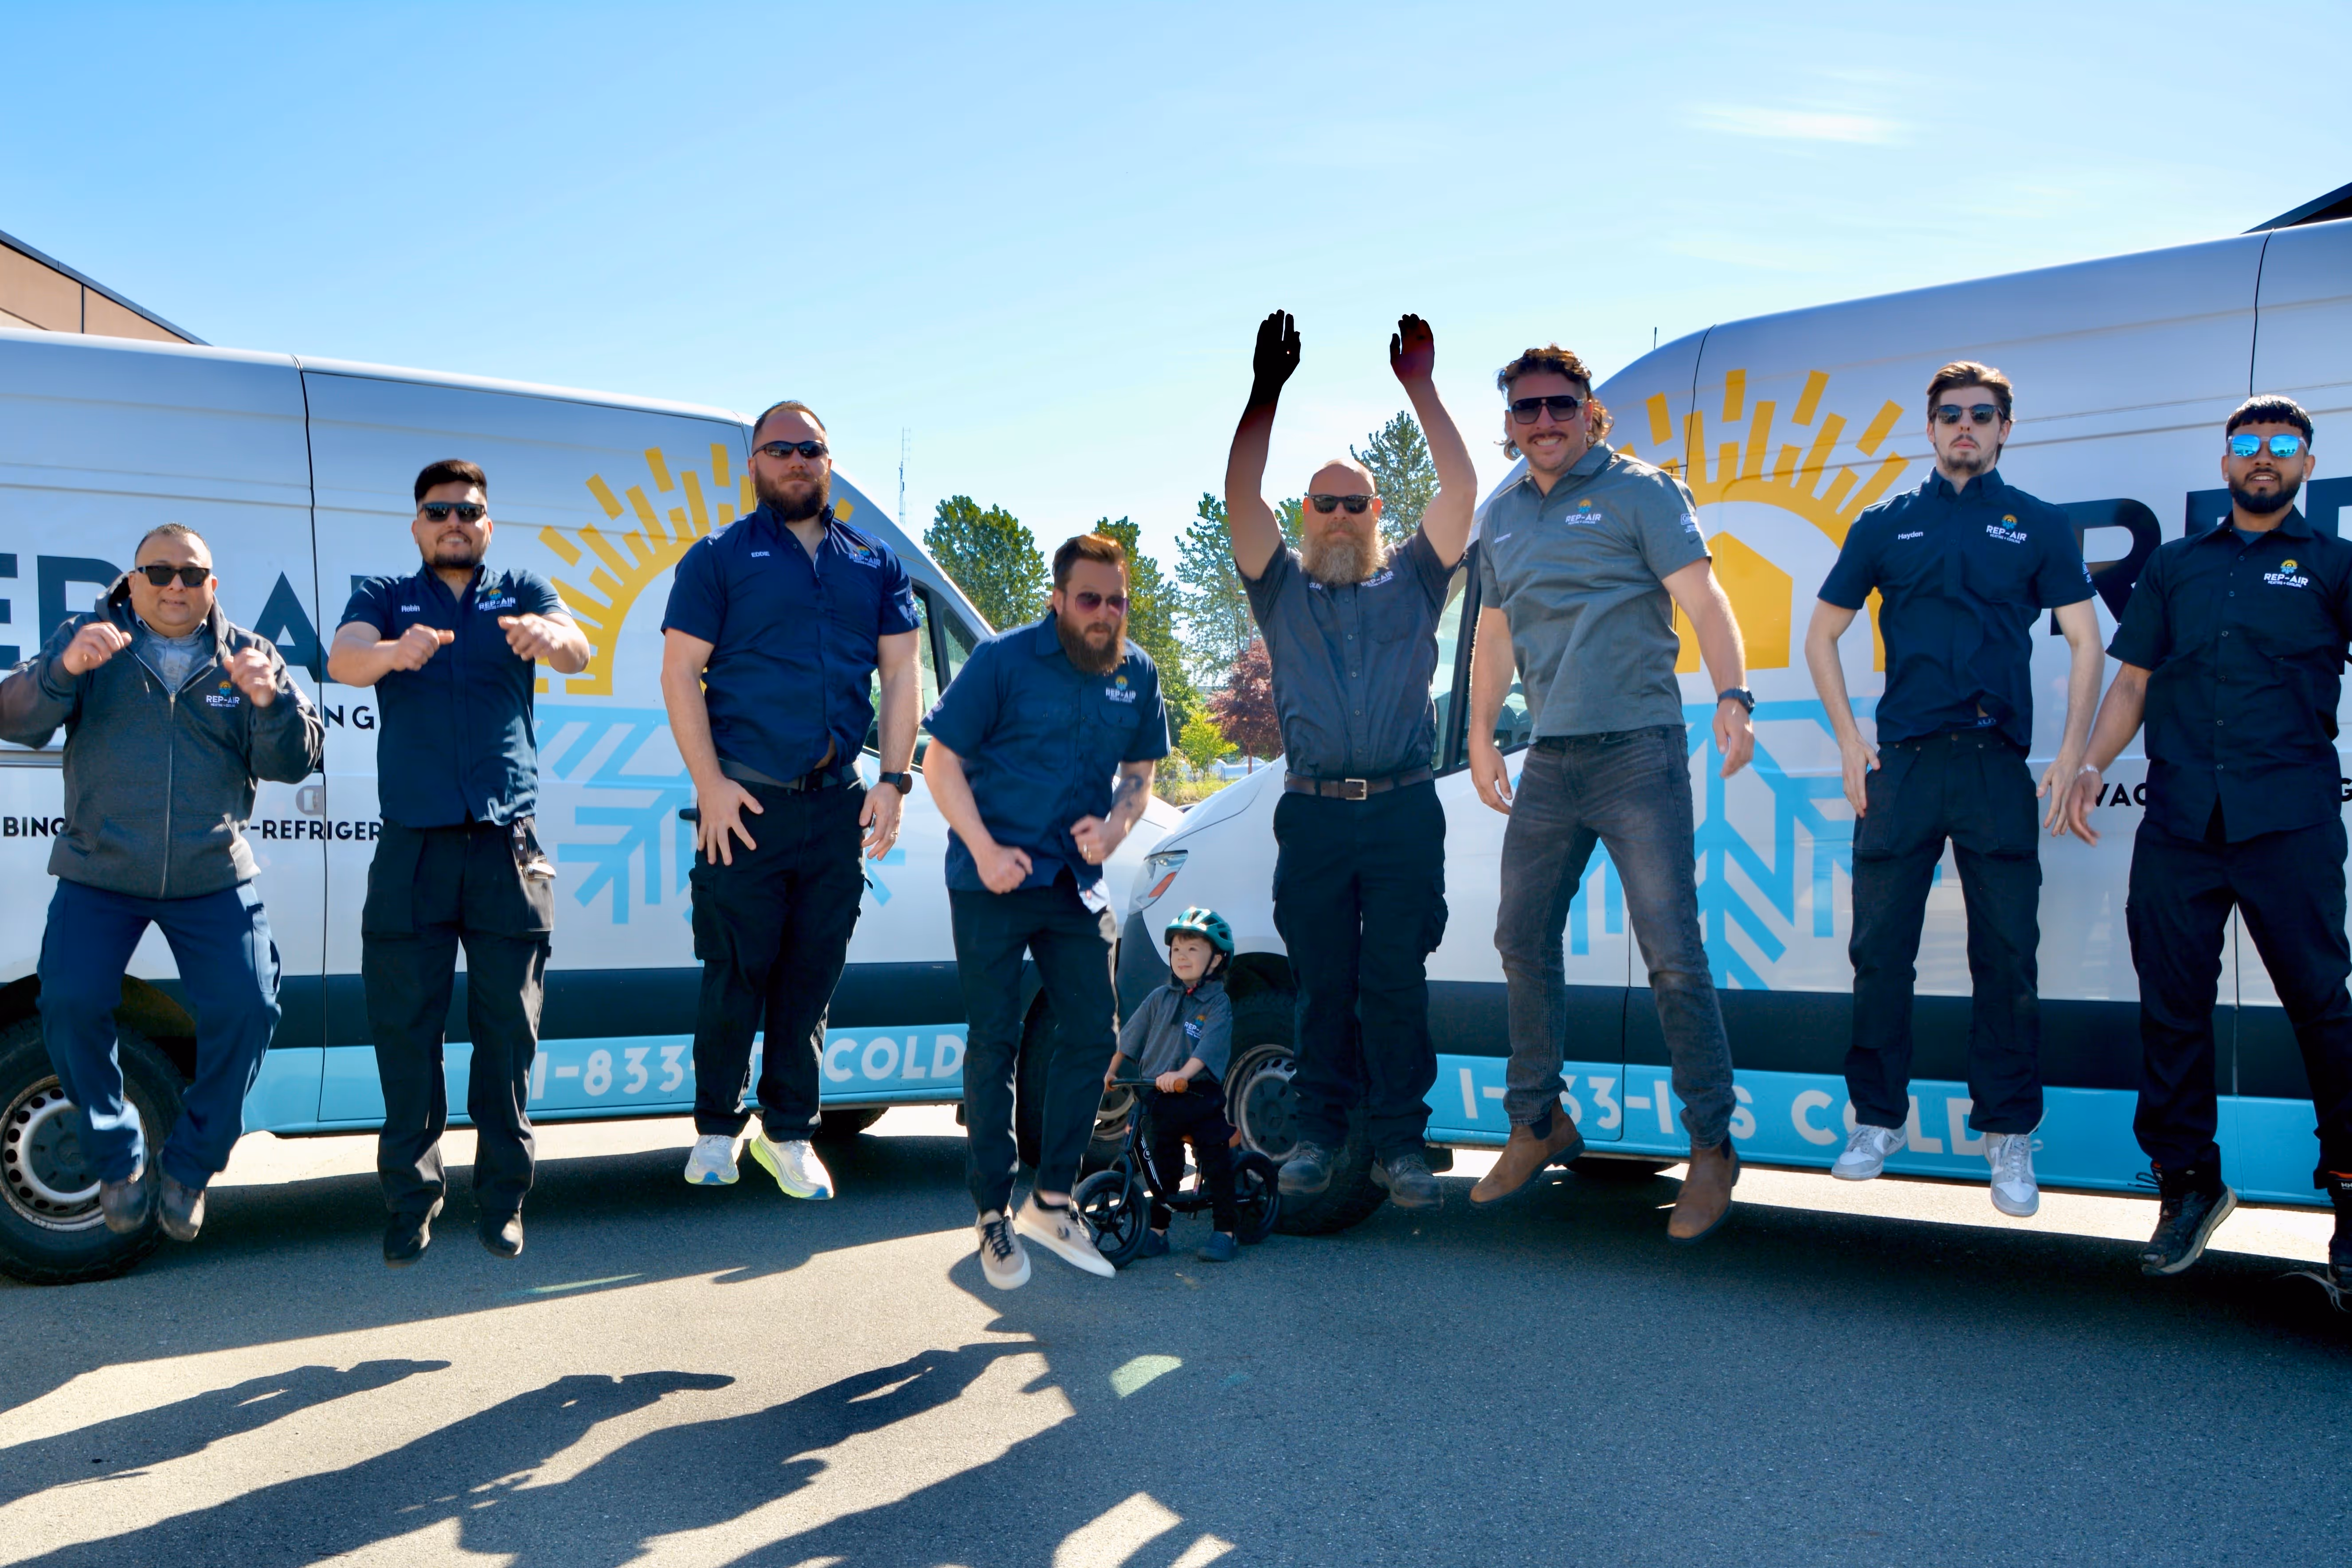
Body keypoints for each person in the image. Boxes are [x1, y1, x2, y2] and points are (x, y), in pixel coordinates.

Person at [1804, 362, 2105, 1218]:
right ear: (1929, 430)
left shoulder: (2038, 525)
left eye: (1981, 414)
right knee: (1879, 950)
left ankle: (2008, 1136)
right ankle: (1877, 1121)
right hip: (1900, 766)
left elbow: (2088, 642)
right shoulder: (1885, 525)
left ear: (2006, 427)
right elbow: (1822, 633)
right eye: (1949, 415)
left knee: (2007, 956)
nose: (1964, 426)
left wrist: (2070, 749)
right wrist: (1849, 741)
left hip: (1993, 764)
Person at [1464, 345, 1751, 1242]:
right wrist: (1478, 733)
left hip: (1638, 751)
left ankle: (1710, 1145)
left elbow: (1706, 604)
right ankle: (1538, 1120)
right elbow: (1495, 634)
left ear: (1589, 410)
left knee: (1672, 952)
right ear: (1508, 421)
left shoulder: (1642, 490)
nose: (1543, 421)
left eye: (1559, 405)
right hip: (1552, 756)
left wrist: (1735, 697)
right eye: (1526, 409)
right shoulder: (1501, 513)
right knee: (1519, 935)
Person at [2067, 395, 2352, 1283]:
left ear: (2306, 461)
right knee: (2171, 1009)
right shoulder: (2175, 568)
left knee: (2324, 1010)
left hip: (2292, 821)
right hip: (2182, 822)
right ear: (2224, 460)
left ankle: (2350, 1200)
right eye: (2246, 445)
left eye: (2279, 445)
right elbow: (2132, 684)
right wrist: (2084, 762)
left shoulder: (2335, 566)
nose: (2261, 458)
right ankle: (2189, 1184)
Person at [0, 524, 322, 1243]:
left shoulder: (250, 655)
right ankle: (117, 1160)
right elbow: (15, 718)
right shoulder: (88, 639)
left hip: (211, 872)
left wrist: (270, 705)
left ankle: (188, 1169)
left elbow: (297, 762)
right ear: (133, 580)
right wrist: (62, 673)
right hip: (100, 872)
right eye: (159, 570)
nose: (176, 584)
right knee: (72, 999)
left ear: (213, 584)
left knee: (248, 1005)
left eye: (192, 572)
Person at [1221, 310, 1477, 1211]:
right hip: (1318, 816)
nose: (1338, 515)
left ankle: (1403, 1143)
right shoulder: (1279, 588)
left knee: (1394, 978)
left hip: (1405, 813)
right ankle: (1320, 1132)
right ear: (1306, 515)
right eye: (1323, 503)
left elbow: (1460, 485)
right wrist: (1266, 391)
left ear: (1377, 514)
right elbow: (1238, 500)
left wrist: (1421, 388)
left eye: (1355, 502)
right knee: (1324, 978)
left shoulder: (1414, 577)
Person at [329, 459, 591, 1265]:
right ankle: (411, 1201)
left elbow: (578, 648)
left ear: (488, 524)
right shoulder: (381, 595)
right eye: (439, 510)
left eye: (469, 511)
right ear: (417, 526)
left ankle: (504, 1200)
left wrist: (555, 638)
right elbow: (342, 660)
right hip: (413, 846)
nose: (454, 521)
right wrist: (393, 653)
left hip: (506, 847)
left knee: (508, 1028)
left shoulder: (522, 589)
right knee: (406, 1030)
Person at [658, 403, 921, 1204]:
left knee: (811, 974)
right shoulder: (719, 559)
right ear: (755, 464)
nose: (798, 460)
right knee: (735, 969)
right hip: (743, 803)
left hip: (834, 805)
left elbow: (904, 678)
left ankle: (791, 1135)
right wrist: (710, 784)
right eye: (782, 449)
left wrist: (894, 780)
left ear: (829, 462)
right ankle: (714, 1130)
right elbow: (680, 675)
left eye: (812, 448)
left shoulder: (874, 565)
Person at [922, 533, 1168, 1289]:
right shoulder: (1003, 661)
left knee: (1095, 1030)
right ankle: (992, 1211)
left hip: (1072, 883)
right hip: (990, 879)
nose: (1104, 614)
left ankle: (1052, 1199)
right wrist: (986, 848)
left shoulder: (1137, 672)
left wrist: (1120, 825)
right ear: (1058, 599)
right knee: (994, 1040)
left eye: (1117, 601)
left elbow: (1140, 770)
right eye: (1088, 599)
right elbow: (940, 762)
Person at [1107, 907, 1241, 1262]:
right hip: (1158, 1096)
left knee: (1214, 1156)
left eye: (1193, 949)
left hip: (1198, 1095)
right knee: (1160, 1161)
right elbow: (1130, 1036)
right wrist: (1112, 1070)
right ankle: (1157, 1230)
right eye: (1177, 949)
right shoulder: (1160, 998)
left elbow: (1209, 1048)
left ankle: (1225, 1230)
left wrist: (1183, 1073)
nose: (1182, 956)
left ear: (1216, 960)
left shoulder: (1217, 1004)